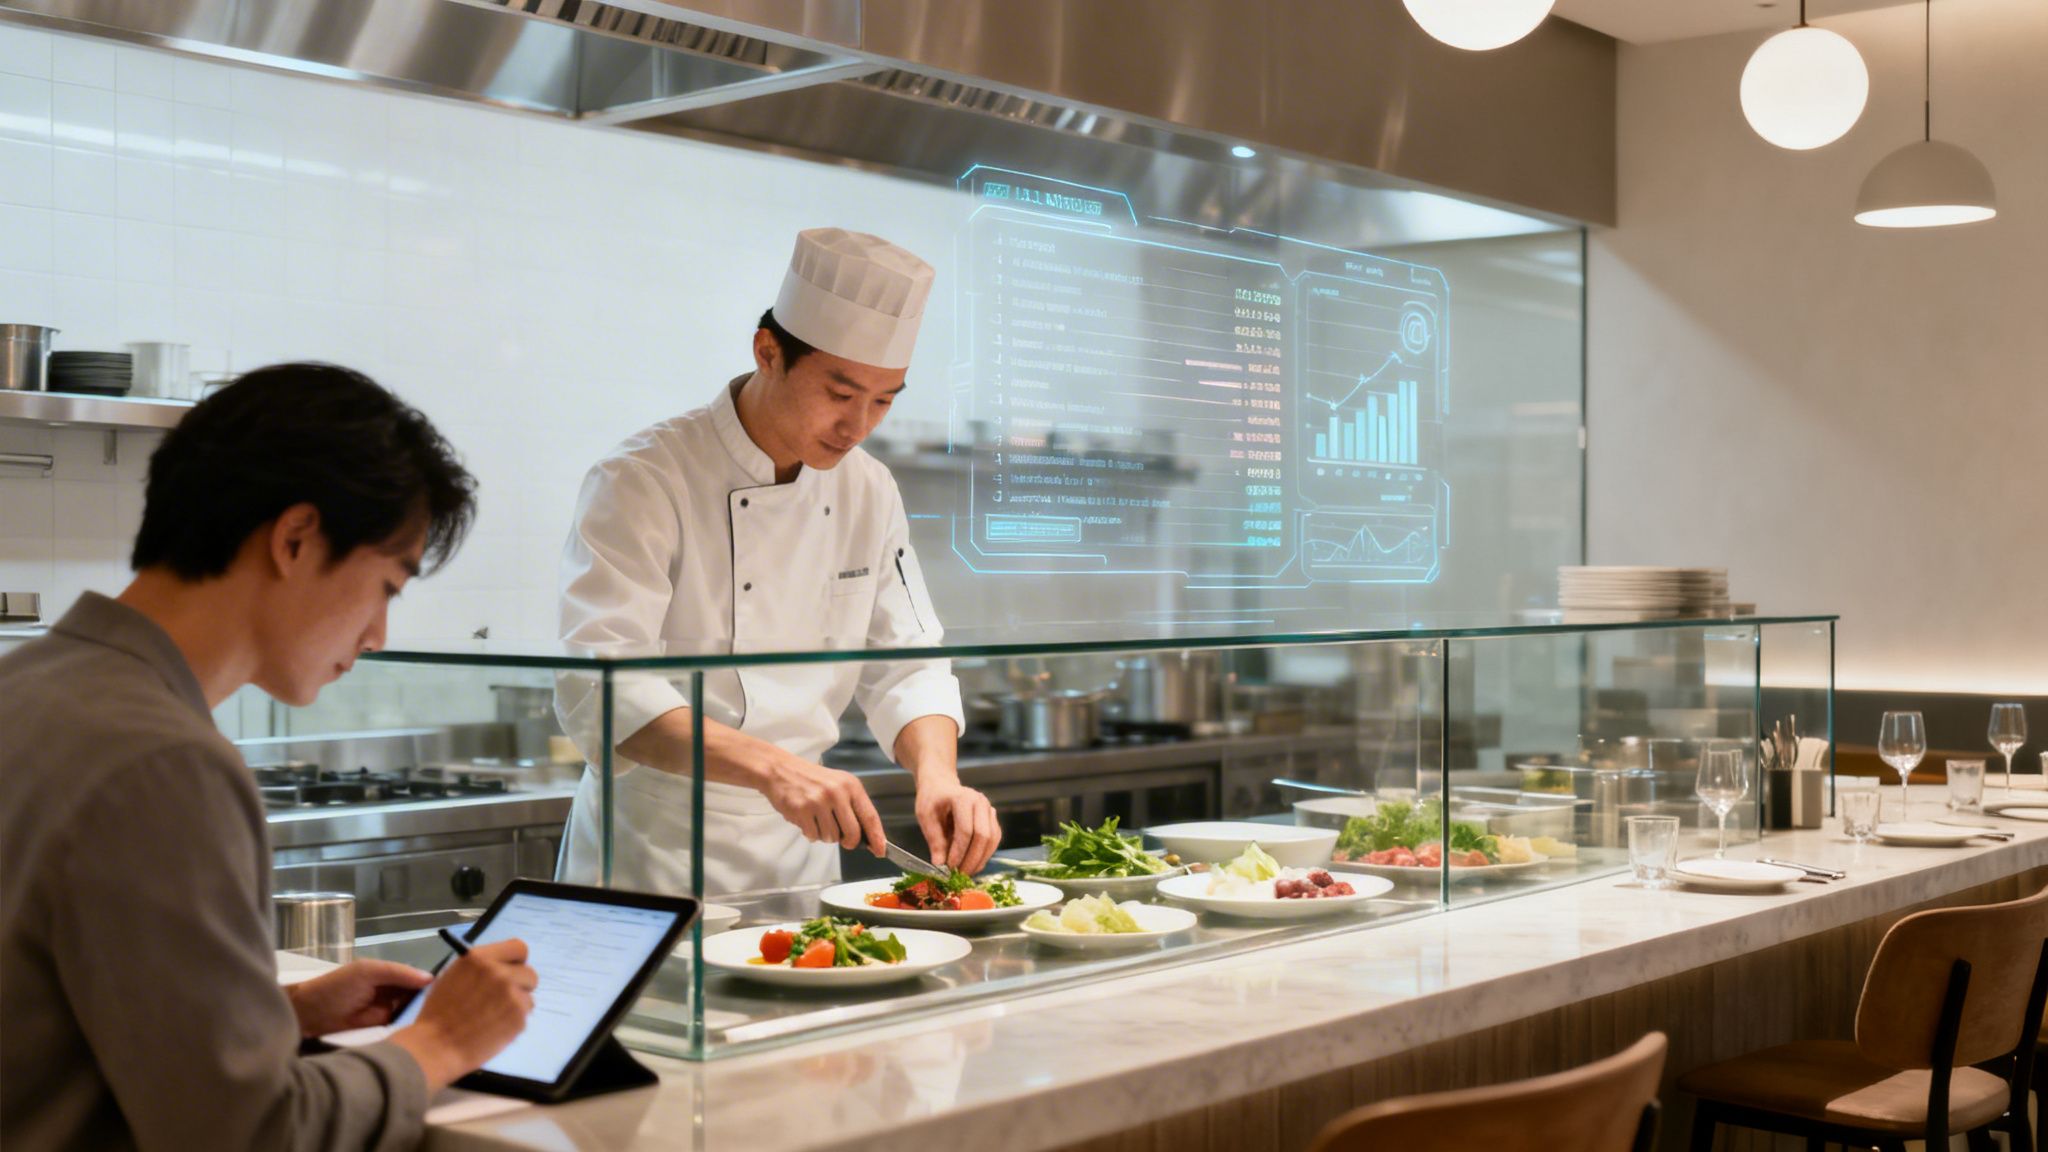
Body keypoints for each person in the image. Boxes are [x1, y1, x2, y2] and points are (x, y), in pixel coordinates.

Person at [0, 364, 537, 1151]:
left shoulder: (27, 687)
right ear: (295, 539)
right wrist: (442, 1042)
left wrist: (272, 1018)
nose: (378, 635)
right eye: (387, 585)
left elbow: (42, 1030)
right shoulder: (165, 764)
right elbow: (246, 1134)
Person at [556, 228, 1000, 897]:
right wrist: (773, 769)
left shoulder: (867, 488)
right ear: (769, 352)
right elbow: (602, 688)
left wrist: (938, 774)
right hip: (656, 854)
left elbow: (907, 660)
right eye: (841, 393)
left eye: (884, 399)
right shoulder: (644, 478)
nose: (859, 425)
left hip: (800, 855)